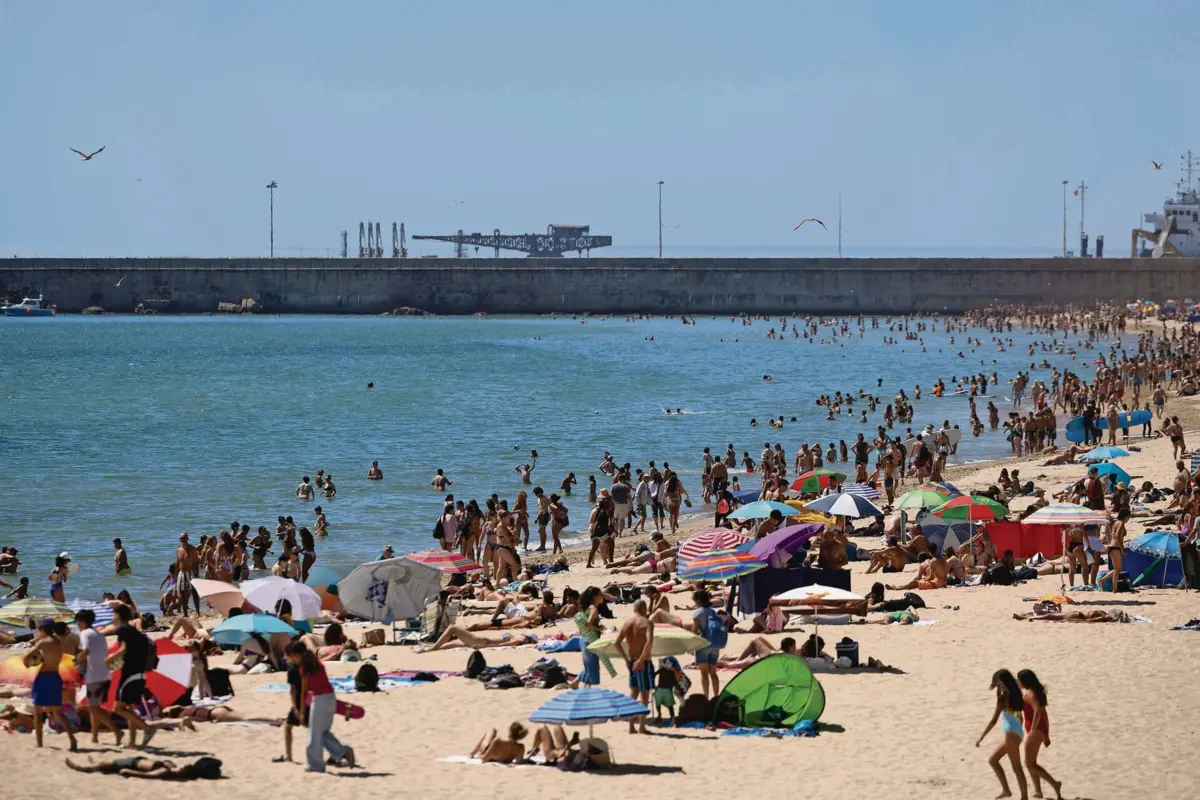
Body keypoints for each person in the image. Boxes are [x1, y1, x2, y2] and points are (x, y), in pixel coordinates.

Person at [285, 641, 356, 772]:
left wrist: (301, 712)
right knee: (323, 733)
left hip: (320, 699)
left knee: (314, 734)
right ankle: (343, 751)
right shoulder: (317, 663)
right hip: (330, 697)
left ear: (296, 655)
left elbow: (304, 692)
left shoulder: (304, 668)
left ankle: (315, 764)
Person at [23, 618, 79, 750]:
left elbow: (27, 656)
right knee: (58, 712)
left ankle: (39, 743)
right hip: (55, 676)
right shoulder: (58, 642)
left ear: (42, 629)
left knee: (37, 711)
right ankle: (72, 738)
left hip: (43, 677)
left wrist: (30, 662)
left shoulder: (42, 642)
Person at [106, 603, 156, 748]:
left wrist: (109, 659)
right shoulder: (135, 632)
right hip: (139, 673)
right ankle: (132, 743)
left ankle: (147, 728)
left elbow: (124, 649)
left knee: (118, 707)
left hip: (129, 675)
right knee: (129, 709)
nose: (112, 617)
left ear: (118, 615)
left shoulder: (122, 629)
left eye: (113, 614)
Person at [976, 669, 1030, 800]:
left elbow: (994, 720)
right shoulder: (1014, 693)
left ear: (1006, 681)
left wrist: (981, 737)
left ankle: (1024, 797)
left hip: (1011, 733)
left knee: (1016, 767)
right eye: (997, 682)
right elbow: (1020, 716)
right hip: (1015, 732)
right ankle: (1006, 790)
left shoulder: (1005, 696)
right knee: (993, 760)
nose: (999, 684)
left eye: (1000, 682)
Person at [74, 609, 122, 745]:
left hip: (93, 675)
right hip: (105, 674)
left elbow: (85, 651)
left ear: (82, 622)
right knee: (95, 707)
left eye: (77, 622)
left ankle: (117, 730)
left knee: (93, 708)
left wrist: (76, 661)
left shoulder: (84, 634)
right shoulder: (99, 634)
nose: (77, 625)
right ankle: (94, 736)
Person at [1017, 669, 1063, 800]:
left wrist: (1032, 729)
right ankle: (1038, 791)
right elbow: (1045, 715)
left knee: (1029, 763)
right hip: (1040, 731)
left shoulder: (1031, 694)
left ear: (1024, 681)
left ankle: (1055, 784)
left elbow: (1037, 711)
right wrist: (1047, 735)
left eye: (1019, 680)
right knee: (1032, 762)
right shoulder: (1035, 692)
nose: (1018, 682)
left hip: (1036, 732)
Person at [612, 599, 654, 734]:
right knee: (644, 694)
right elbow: (649, 642)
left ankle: (631, 726)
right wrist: (641, 660)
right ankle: (641, 726)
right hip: (643, 662)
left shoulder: (627, 623)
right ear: (643, 609)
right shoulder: (647, 623)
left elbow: (616, 643)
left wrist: (625, 659)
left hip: (631, 661)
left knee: (634, 692)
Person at [690, 589, 727, 700]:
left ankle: (706, 697)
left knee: (704, 673)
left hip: (703, 644)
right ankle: (716, 697)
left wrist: (691, 646)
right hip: (715, 644)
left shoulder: (697, 612)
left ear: (698, 600)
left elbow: (695, 631)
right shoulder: (712, 611)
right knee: (713, 673)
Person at [65, 756, 223, 781]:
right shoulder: (171, 768)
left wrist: (128, 773)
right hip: (135, 760)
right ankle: (95, 762)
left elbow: (146, 776)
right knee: (105, 763)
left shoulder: (164, 771)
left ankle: (82, 768)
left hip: (129, 764)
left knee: (102, 766)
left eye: (184, 767)